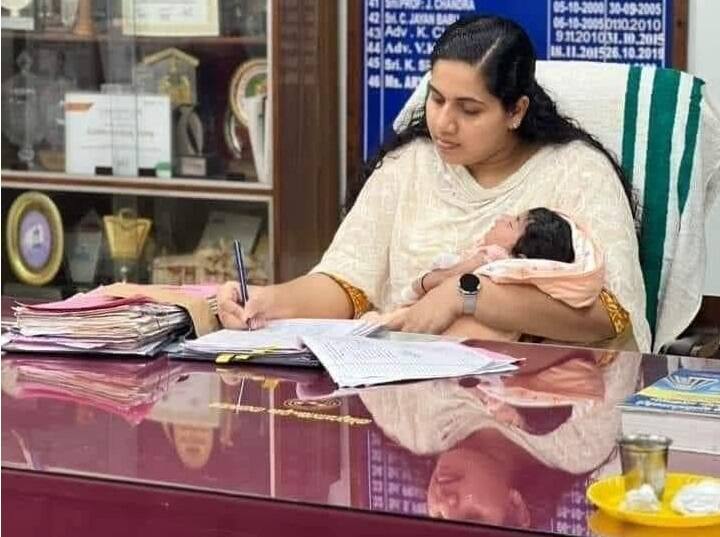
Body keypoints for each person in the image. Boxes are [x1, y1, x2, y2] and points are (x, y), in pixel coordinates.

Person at [217, 15, 649, 351]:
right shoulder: (409, 165)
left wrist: (465, 296)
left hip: (531, 414)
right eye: (437, 98)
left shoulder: (578, 173)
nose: (443, 123)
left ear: (516, 111)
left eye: (469, 109)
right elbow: (348, 283)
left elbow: (610, 316)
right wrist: (268, 302)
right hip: (409, 395)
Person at [355, 347, 642, 528]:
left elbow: (354, 339)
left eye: (438, 518)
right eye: (471, 517)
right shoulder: (578, 445)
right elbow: (619, 343)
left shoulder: (406, 426)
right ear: (516, 510)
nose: (444, 503)